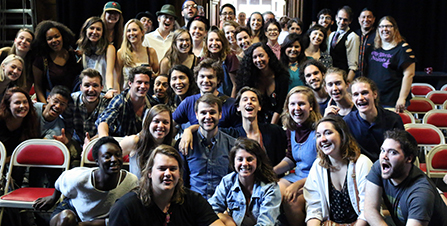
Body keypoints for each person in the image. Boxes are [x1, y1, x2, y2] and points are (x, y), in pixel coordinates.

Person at [33, 136, 139, 226]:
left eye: (118, 154)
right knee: (67, 219)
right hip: (74, 211)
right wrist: (52, 198)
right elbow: (61, 180)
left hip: (103, 219)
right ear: (97, 161)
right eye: (107, 156)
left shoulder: (131, 181)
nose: (114, 159)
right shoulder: (80, 178)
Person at [109, 145, 225, 226]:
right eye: (162, 168)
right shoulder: (125, 207)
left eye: (173, 169)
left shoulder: (194, 200)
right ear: (149, 173)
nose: (168, 174)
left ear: (179, 173)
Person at [180, 87, 287, 166]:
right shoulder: (230, 134)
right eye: (245, 100)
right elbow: (208, 127)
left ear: (259, 107)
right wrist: (188, 130)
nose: (249, 102)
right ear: (238, 107)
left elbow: (288, 156)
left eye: (253, 100)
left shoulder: (274, 131)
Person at [364, 129, 447, 225]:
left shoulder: (421, 193)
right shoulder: (380, 166)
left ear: (409, 158)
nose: (384, 156)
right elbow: (370, 209)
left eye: (393, 152)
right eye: (383, 150)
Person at [304, 115, 372, 225]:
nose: (323, 139)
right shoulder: (318, 166)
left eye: (328, 133)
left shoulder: (362, 163)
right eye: (318, 135)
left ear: (342, 135)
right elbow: (314, 209)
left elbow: (368, 211)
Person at [273, 86, 321, 225]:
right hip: (297, 175)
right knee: (272, 191)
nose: (297, 108)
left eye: (301, 104)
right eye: (292, 104)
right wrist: (271, 172)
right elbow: (291, 158)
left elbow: (325, 168)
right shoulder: (291, 128)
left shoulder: (320, 129)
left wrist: (298, 185)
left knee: (291, 200)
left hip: (316, 178)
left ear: (311, 106)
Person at [208, 137, 281, 225]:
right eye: (240, 159)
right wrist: (227, 220)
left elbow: (266, 224)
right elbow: (209, 211)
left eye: (250, 159)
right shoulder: (227, 181)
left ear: (258, 161)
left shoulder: (270, 187)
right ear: (233, 161)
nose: (245, 164)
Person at [181, 94, 236, 199]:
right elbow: (181, 183)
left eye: (212, 112)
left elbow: (234, 183)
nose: (208, 117)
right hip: (194, 207)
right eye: (203, 113)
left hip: (222, 207)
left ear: (220, 114)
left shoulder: (232, 145)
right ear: (196, 115)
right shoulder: (185, 143)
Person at [344, 76, 404, 162]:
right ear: (352, 99)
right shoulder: (347, 122)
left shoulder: (393, 119)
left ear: (375, 94)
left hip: (389, 166)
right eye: (356, 94)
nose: (360, 98)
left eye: (364, 93)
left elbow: (400, 151)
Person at [173, 58, 240, 129]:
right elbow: (169, 123)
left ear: (218, 80)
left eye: (210, 77)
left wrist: (194, 129)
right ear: (196, 79)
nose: (206, 80)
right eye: (202, 76)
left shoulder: (231, 104)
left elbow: (241, 132)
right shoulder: (189, 102)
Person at [366, 16, 416, 112]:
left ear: (395, 29)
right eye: (381, 26)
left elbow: (409, 75)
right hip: (375, 98)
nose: (384, 29)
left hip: (392, 100)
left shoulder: (403, 49)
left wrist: (402, 98)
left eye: (388, 26)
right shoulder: (373, 47)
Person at [236, 42, 289, 124]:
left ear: (268, 56)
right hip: (254, 121)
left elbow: (280, 106)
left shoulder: (282, 77)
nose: (258, 60)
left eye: (261, 56)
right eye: (255, 57)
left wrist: (271, 127)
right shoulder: (248, 78)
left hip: (277, 121)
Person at [96, 66, 156, 137]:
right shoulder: (120, 100)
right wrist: (104, 139)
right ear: (130, 83)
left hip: (143, 144)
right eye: (139, 82)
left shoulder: (152, 103)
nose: (143, 86)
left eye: (146, 83)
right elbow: (104, 122)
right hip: (120, 142)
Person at [32, 20, 82, 103]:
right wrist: (44, 106)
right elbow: (38, 86)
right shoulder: (41, 60)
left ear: (63, 36)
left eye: (57, 36)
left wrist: (83, 56)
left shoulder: (71, 54)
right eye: (49, 38)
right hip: (53, 102)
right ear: (45, 41)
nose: (54, 40)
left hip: (72, 101)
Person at [120, 104, 173, 179]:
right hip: (136, 189)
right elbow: (110, 157)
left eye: (165, 122)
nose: (161, 125)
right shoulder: (135, 141)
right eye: (156, 121)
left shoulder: (173, 145)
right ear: (148, 123)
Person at [63, 68, 111, 146]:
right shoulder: (71, 101)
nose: (91, 89)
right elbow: (68, 128)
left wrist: (89, 143)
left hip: (98, 142)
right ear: (81, 87)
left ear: (101, 88)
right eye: (87, 85)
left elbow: (108, 130)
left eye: (95, 85)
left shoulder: (107, 103)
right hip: (75, 142)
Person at [77, 17, 117, 92]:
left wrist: (110, 89)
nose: (94, 32)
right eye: (92, 28)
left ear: (103, 33)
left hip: (104, 90)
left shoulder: (109, 48)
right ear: (86, 30)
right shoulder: (82, 47)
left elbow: (109, 73)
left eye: (98, 29)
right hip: (88, 90)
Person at [117, 19, 159, 91]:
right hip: (128, 93)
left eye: (134, 30)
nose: (131, 33)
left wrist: (151, 75)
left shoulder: (150, 52)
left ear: (142, 32)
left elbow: (158, 75)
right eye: (128, 31)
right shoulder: (121, 53)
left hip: (147, 93)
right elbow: (117, 79)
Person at [203, 27, 239, 98]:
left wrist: (231, 103)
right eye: (211, 40)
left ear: (223, 42)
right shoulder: (204, 59)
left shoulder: (230, 57)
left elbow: (235, 84)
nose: (214, 43)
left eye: (218, 40)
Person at [328, 6, 359, 82]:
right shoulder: (332, 35)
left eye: (345, 20)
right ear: (336, 17)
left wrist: (347, 84)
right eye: (340, 18)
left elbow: (353, 67)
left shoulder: (353, 37)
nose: (342, 22)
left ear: (350, 21)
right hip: (331, 76)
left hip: (343, 77)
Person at [355, 8, 376, 77]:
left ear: (373, 19)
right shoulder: (353, 35)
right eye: (363, 17)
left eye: (369, 17)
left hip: (372, 76)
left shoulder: (379, 36)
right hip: (355, 77)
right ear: (359, 19)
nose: (366, 20)